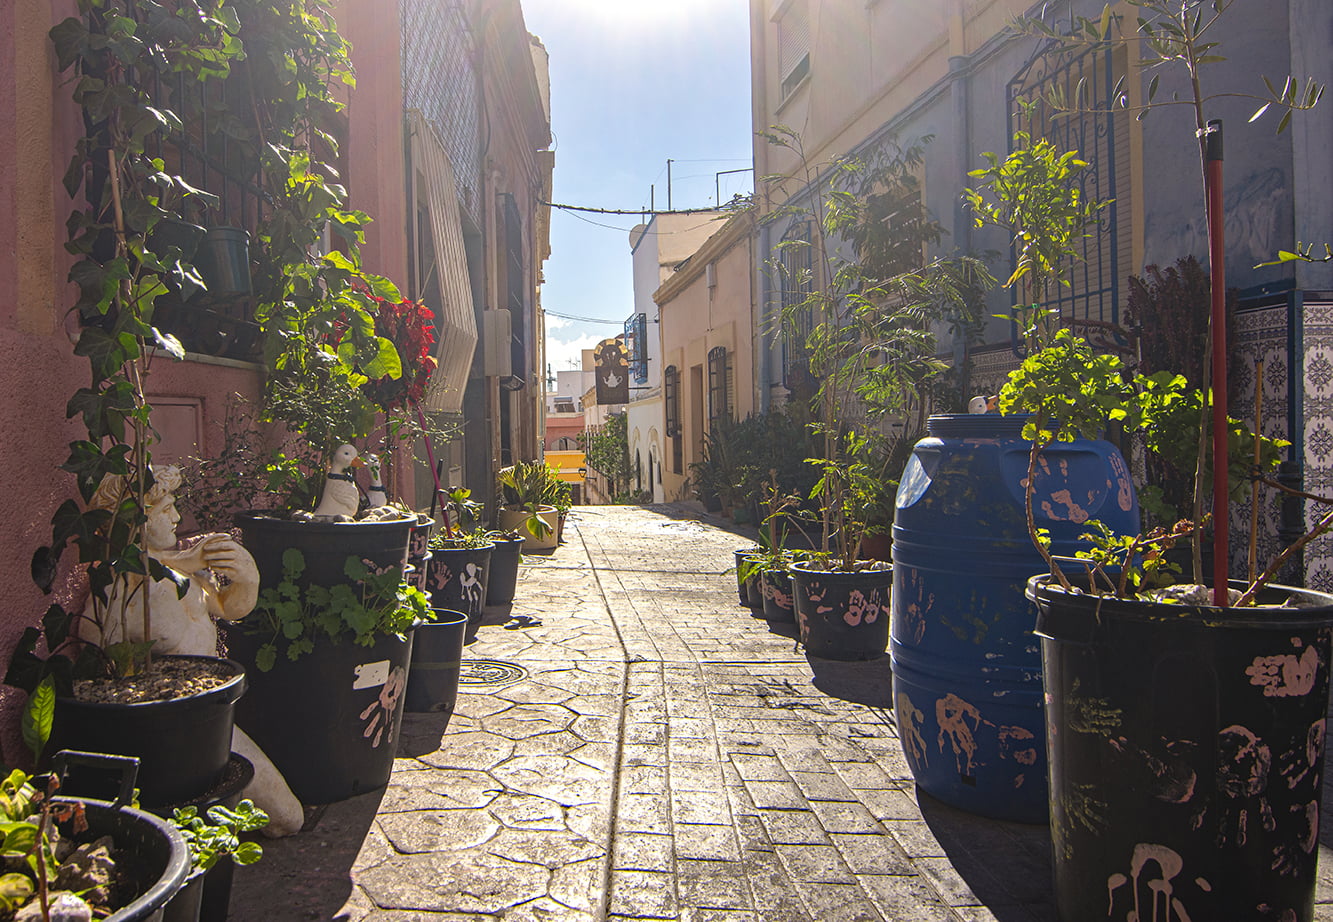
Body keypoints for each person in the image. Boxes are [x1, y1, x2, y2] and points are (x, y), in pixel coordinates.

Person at [84, 466, 304, 836]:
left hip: (210, 715)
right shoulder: (126, 589)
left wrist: (247, 577)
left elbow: (228, 607)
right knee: (280, 818)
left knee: (287, 818)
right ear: (134, 522)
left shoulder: (178, 570)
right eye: (165, 509)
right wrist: (186, 564)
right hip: (162, 727)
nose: (177, 518)